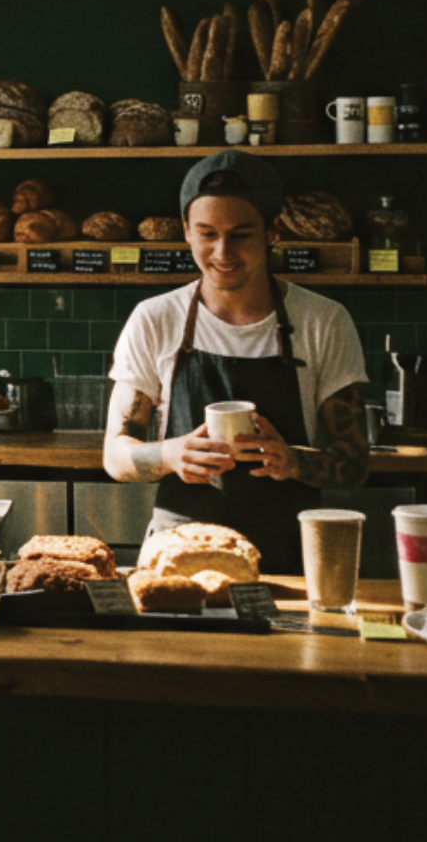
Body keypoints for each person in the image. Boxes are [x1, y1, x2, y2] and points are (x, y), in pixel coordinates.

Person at [102, 149, 370, 571]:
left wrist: (294, 460)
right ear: (187, 231)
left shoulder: (323, 320)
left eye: (241, 233)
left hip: (289, 552)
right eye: (207, 234)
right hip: (180, 551)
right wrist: (172, 454)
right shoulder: (155, 319)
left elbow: (355, 463)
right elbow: (115, 455)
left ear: (273, 230)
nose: (223, 251)